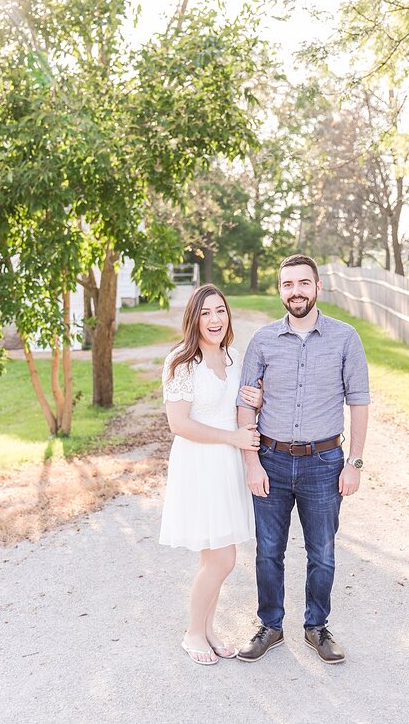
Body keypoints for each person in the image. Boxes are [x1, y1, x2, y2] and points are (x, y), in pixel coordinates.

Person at [235, 254, 370, 664]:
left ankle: (317, 627)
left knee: (322, 552)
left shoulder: (346, 338)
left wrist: (355, 463)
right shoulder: (262, 340)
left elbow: (359, 402)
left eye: (302, 283)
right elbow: (245, 404)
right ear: (280, 290)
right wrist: (252, 463)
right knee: (267, 551)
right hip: (271, 460)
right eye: (287, 284)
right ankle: (270, 626)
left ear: (317, 288)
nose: (295, 291)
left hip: (325, 462)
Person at [159, 284, 263, 665]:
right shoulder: (181, 362)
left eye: (220, 311)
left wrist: (258, 402)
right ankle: (191, 633)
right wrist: (232, 438)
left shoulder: (233, 358)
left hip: (227, 467)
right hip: (200, 465)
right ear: (194, 319)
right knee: (222, 560)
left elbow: (239, 406)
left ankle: (208, 629)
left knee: (214, 557)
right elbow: (179, 424)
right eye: (206, 313)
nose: (215, 319)